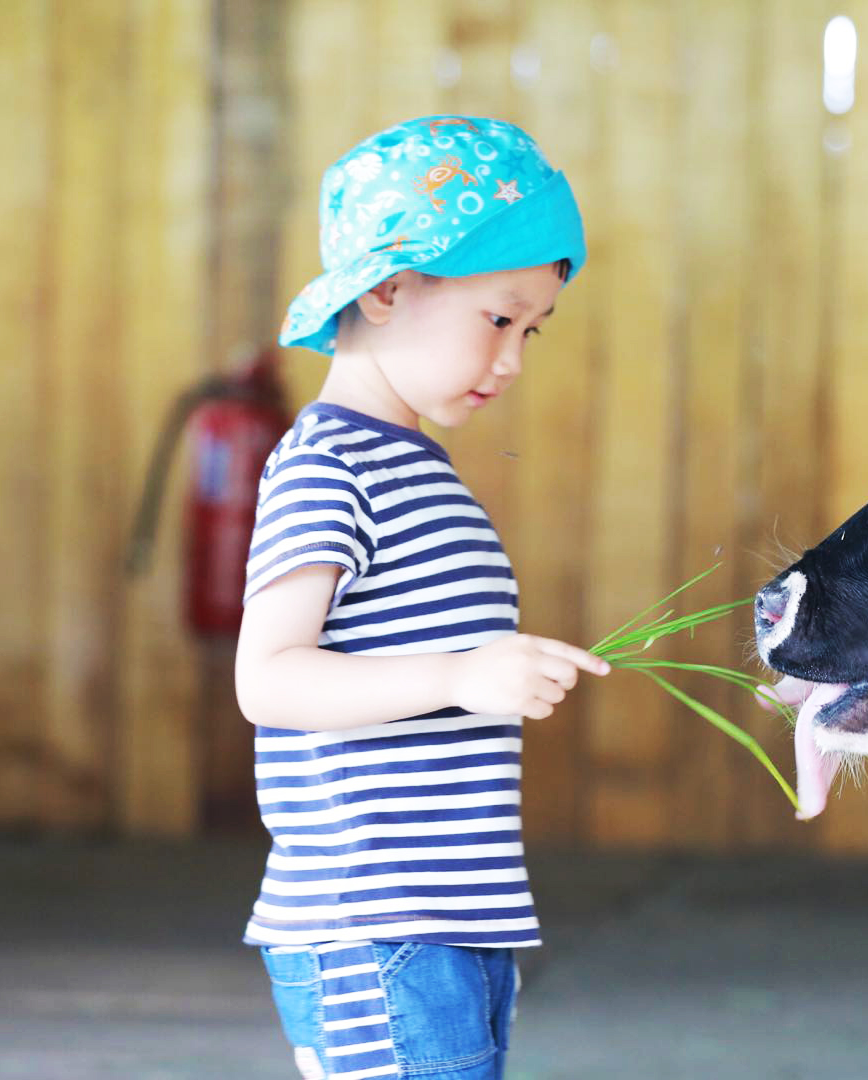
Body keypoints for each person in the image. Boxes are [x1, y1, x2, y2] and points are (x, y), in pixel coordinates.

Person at [234, 115, 609, 1080]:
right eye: (499, 318)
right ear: (390, 291)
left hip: (452, 917)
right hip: (373, 924)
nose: (516, 358)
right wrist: (464, 674)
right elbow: (270, 680)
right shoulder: (327, 466)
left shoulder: (416, 469)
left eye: (533, 330)